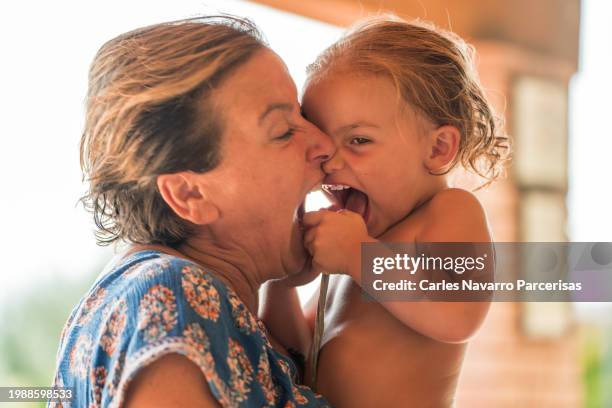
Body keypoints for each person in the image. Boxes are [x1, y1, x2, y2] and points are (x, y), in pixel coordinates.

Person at [49, 16, 335, 408]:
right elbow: (451, 283)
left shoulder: (167, 298)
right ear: (189, 195)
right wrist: (370, 259)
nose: (324, 143)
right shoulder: (171, 300)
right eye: (283, 131)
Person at [297, 16, 508, 407]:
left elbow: (458, 317)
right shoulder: (360, 244)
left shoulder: (449, 211)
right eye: (323, 144)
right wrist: (281, 283)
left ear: (437, 149)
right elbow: (298, 349)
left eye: (359, 140)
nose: (330, 162)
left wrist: (358, 256)